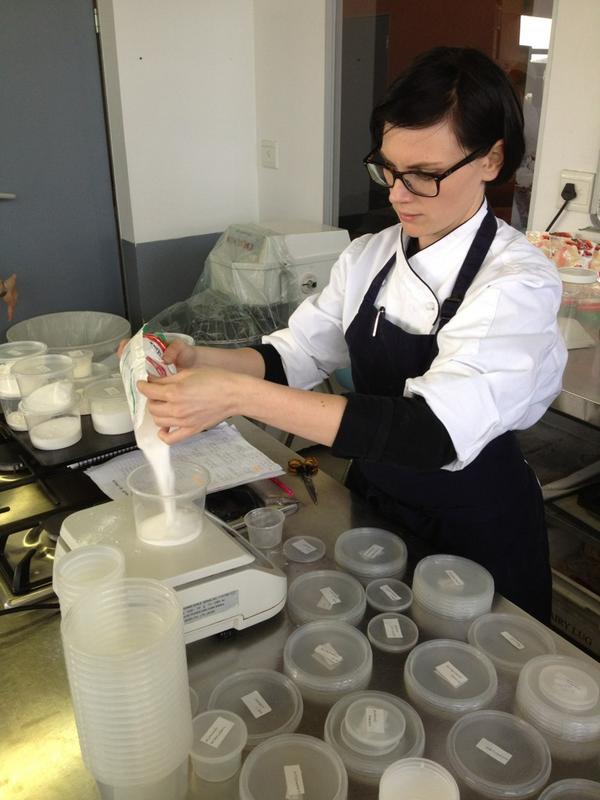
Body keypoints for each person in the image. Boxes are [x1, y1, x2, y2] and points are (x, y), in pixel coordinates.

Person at [139, 47, 567, 623]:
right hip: (375, 498)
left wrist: (234, 396)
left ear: (491, 160)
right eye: (388, 169)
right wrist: (199, 357)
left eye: (425, 176)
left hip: (472, 520)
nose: (397, 194)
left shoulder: (517, 281)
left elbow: (432, 434)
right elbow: (294, 355)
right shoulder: (369, 255)